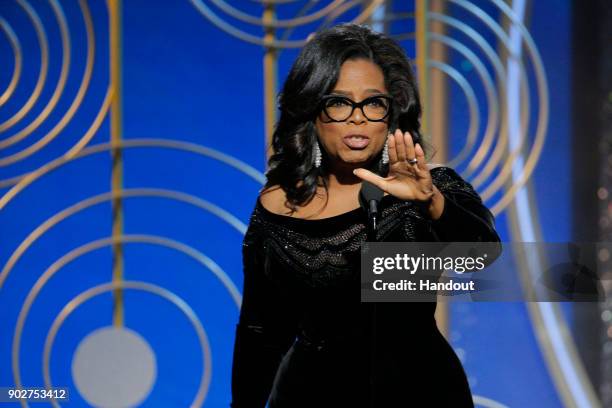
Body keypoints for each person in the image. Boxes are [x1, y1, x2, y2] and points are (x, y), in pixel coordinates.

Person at [230, 23, 501, 408]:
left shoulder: (432, 188)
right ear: (313, 111)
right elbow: (261, 331)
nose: (358, 118)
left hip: (421, 394)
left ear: (391, 114)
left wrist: (431, 201)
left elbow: (484, 256)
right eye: (339, 102)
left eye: (373, 103)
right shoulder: (278, 204)